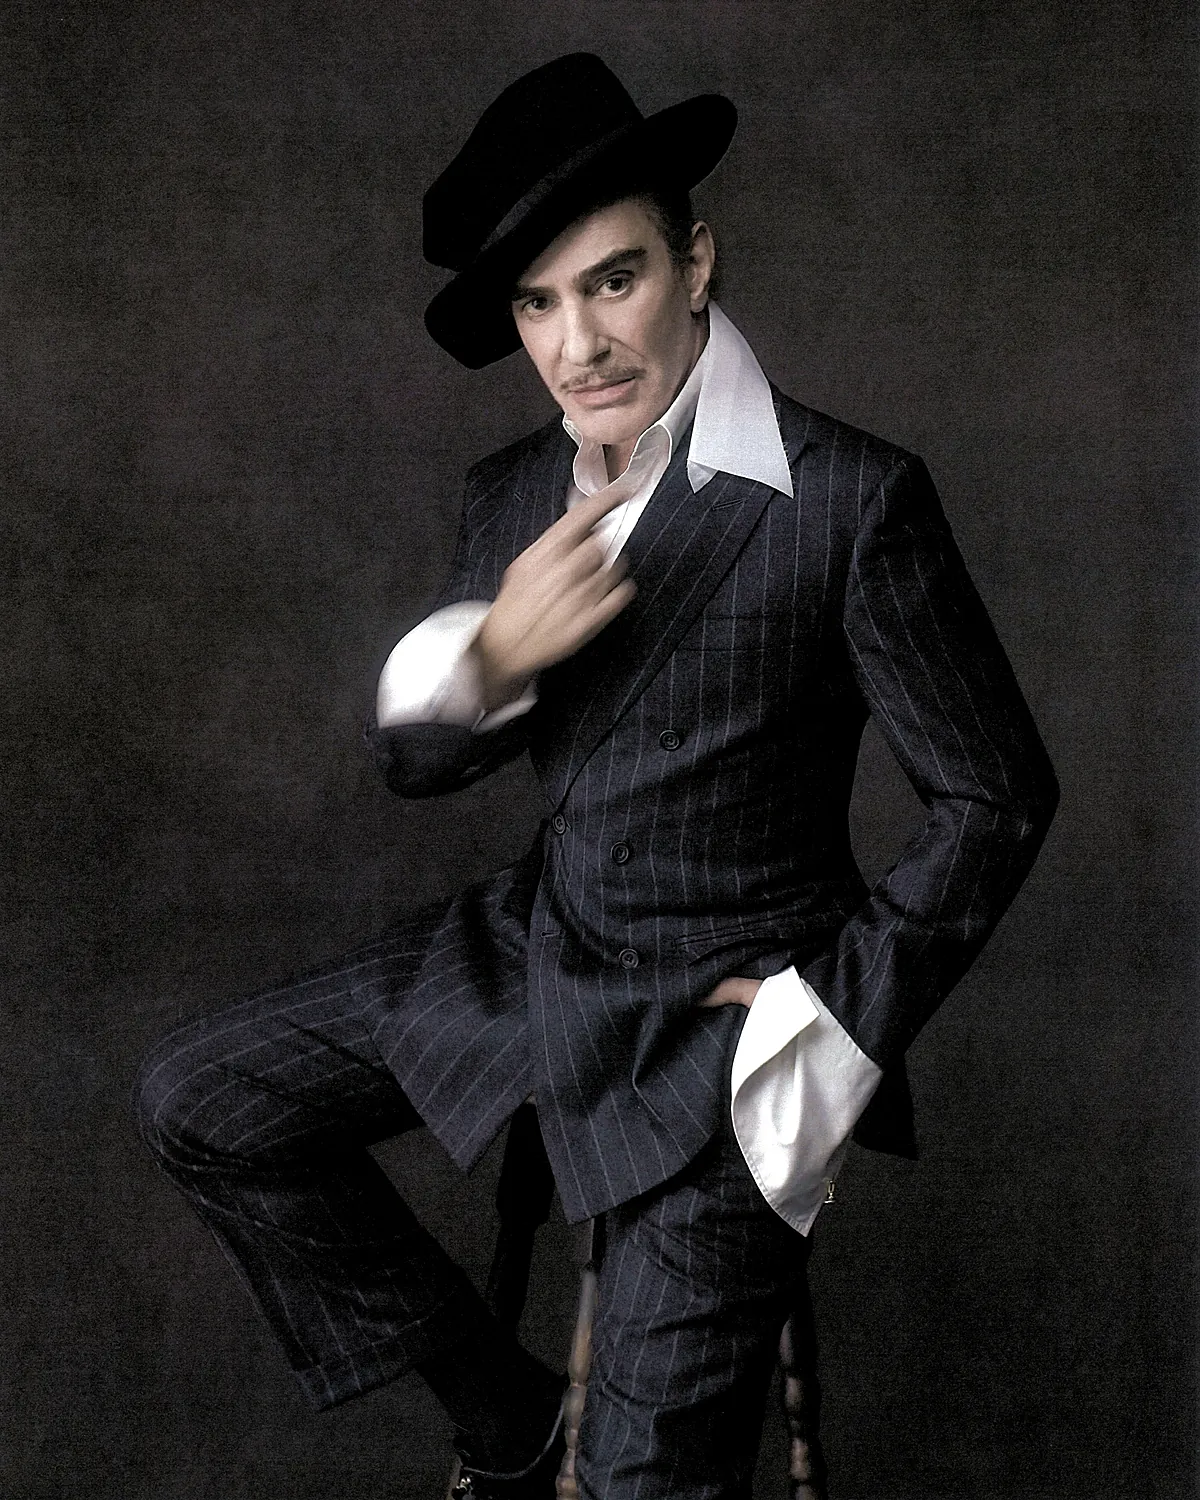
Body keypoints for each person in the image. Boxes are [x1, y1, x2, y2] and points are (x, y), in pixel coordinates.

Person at [135, 53, 1058, 1500]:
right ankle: (512, 1424)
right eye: (537, 304)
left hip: (719, 1036)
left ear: (696, 261)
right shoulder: (511, 492)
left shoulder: (850, 498)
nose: (578, 345)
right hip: (537, 955)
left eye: (613, 282)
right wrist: (492, 653)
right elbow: (416, 767)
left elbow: (996, 797)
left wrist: (824, 1020)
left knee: (644, 1482)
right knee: (202, 1101)